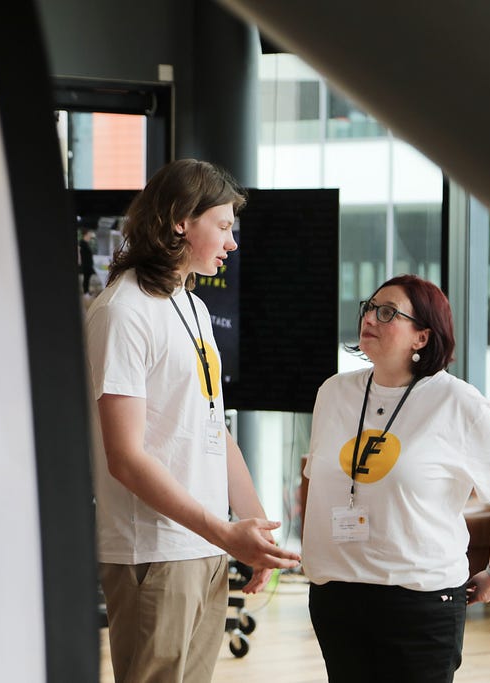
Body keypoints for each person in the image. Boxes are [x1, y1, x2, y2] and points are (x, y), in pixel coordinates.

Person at [85, 158, 300, 683]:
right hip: (154, 550)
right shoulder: (122, 311)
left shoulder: (194, 308)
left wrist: (256, 535)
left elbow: (212, 427)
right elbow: (125, 458)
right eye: (224, 227)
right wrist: (226, 532)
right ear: (181, 220)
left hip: (204, 545)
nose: (232, 243)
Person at [300, 274, 490, 683]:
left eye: (387, 312)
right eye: (369, 307)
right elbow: (315, 478)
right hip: (337, 594)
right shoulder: (333, 392)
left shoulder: (456, 401)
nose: (370, 316)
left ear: (421, 337)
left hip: (420, 599)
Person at [79, 227, 96, 295]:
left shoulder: (85, 243)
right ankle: (86, 292)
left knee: (87, 279)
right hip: (86, 265)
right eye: (89, 234)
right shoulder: (82, 243)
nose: (90, 236)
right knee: (86, 279)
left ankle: (86, 291)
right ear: (85, 235)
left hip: (88, 265)